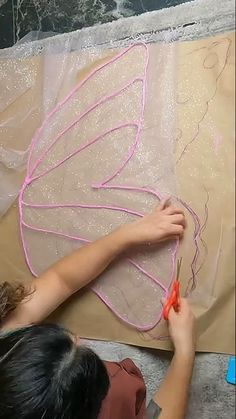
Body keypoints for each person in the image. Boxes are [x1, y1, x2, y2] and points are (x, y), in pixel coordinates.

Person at [0, 199, 196, 419]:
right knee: (121, 393)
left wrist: (126, 235)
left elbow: (60, 281)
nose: (78, 338)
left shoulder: (7, 341)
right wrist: (185, 353)